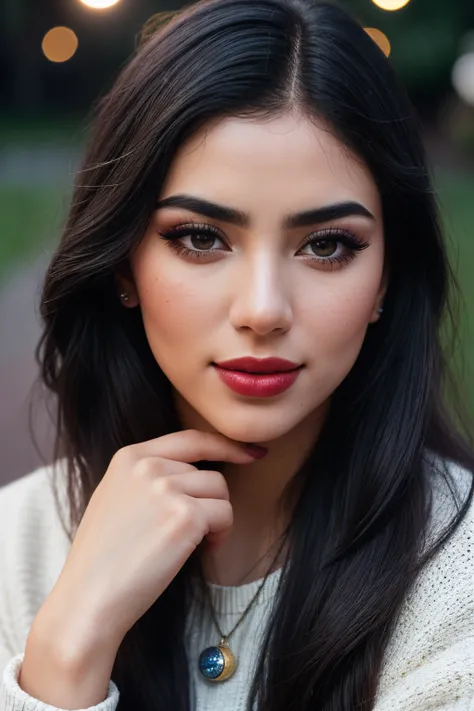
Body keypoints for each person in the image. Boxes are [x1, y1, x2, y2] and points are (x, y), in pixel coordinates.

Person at [1, 0, 473, 709]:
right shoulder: (15, 545)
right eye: (200, 237)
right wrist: (67, 651)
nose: (261, 309)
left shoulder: (459, 576)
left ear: (387, 279)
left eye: (326, 245)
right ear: (124, 265)